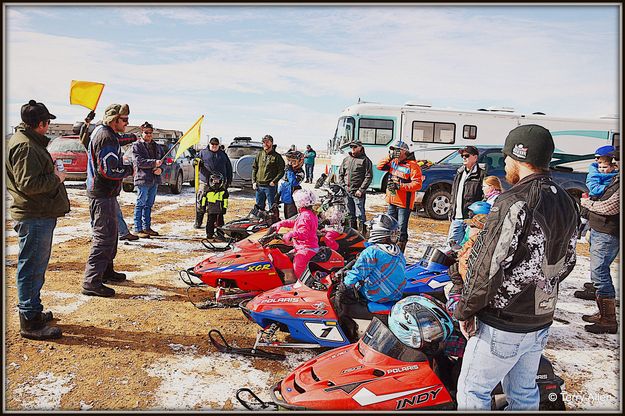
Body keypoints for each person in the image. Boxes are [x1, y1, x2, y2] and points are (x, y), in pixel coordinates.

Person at [453, 125, 579, 410]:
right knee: (523, 394)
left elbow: (488, 266)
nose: (505, 163)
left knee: (473, 392)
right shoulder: (566, 200)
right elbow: (568, 260)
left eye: (507, 157)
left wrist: (465, 309)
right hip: (539, 320)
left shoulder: (513, 201)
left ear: (520, 157)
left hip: (503, 322)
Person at [6, 100, 69, 340]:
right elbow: (29, 184)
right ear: (41, 124)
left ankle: (33, 311)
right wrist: (57, 178)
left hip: (37, 213)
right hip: (35, 214)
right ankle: (30, 322)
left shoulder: (27, 142)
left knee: (34, 267)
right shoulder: (26, 146)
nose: (49, 126)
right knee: (32, 267)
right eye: (47, 122)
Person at [82, 104, 134, 298]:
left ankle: (105, 271)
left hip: (105, 193)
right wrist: (130, 169)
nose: (127, 123)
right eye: (125, 120)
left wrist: (135, 137)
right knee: (103, 237)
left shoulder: (107, 134)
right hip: (101, 193)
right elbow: (109, 170)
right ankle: (91, 281)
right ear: (114, 120)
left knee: (111, 236)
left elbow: (121, 139)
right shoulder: (106, 137)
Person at [332, 213, 407, 342]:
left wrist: (343, 286)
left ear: (377, 232)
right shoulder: (397, 250)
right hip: (395, 294)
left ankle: (347, 327)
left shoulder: (372, 251)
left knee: (346, 296)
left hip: (376, 296)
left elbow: (357, 273)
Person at [579, 151, 619, 334]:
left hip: (607, 233)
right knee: (598, 272)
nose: (616, 163)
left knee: (600, 273)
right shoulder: (615, 179)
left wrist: (587, 204)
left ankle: (608, 319)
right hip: (600, 230)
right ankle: (602, 313)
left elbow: (609, 207)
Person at [376, 140, 423, 252]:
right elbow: (379, 166)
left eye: (397, 150)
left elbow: (417, 184)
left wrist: (401, 186)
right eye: (393, 150)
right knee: (389, 228)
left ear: (404, 151)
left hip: (404, 203)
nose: (394, 152)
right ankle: (390, 251)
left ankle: (400, 253)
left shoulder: (413, 166)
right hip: (392, 201)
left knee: (401, 230)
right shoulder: (394, 162)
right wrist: (389, 156)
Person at [270, 188, 319, 281]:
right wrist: (282, 223)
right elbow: (296, 223)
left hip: (307, 248)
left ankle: (302, 284)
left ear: (300, 203)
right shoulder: (306, 214)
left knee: (298, 265)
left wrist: (291, 234)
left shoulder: (306, 216)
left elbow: (304, 233)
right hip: (301, 247)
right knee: (284, 257)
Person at [445, 145, 486, 250]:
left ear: (475, 157)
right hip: (457, 218)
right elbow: (454, 193)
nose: (464, 158)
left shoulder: (482, 174)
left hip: (471, 220)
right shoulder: (460, 172)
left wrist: (475, 215)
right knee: (451, 249)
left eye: (467, 155)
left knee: (469, 249)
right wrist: (451, 210)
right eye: (462, 156)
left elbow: (484, 197)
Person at [131, 122, 164, 238]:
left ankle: (147, 227)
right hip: (142, 179)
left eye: (150, 132)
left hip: (154, 180)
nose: (149, 134)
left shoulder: (157, 146)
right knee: (140, 204)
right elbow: (138, 161)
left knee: (149, 205)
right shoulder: (136, 146)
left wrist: (161, 169)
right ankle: (137, 228)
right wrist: (153, 163)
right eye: (146, 132)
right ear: (142, 132)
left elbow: (162, 161)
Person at [194, 137, 233, 230]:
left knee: (219, 202)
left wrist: (229, 180)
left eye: (216, 145)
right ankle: (198, 221)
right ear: (209, 144)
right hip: (205, 182)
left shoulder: (223, 154)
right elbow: (195, 162)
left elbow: (229, 168)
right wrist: (195, 162)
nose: (214, 146)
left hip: (220, 183)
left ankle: (218, 222)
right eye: (212, 144)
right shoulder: (203, 153)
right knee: (201, 201)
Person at [338, 140, 373, 235]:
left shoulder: (365, 160)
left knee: (360, 215)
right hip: (347, 192)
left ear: (360, 148)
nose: (353, 149)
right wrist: (343, 186)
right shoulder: (346, 159)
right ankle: (352, 233)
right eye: (352, 147)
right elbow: (341, 174)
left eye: (355, 147)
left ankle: (362, 234)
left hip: (358, 193)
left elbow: (368, 176)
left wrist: (361, 190)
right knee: (350, 214)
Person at [252, 134, 285, 211]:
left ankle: (273, 222)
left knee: (272, 207)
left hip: (270, 187)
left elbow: (281, 171)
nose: (265, 144)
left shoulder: (277, 156)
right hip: (259, 186)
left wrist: (274, 181)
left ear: (271, 143)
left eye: (267, 142)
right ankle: (261, 221)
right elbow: (254, 168)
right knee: (259, 208)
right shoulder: (259, 154)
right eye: (264, 142)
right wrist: (254, 181)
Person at [278, 150, 304, 219]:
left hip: (293, 199)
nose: (291, 163)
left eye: (293, 161)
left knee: (292, 218)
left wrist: (290, 171)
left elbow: (293, 182)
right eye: (289, 161)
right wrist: (278, 195)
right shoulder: (288, 170)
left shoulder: (300, 172)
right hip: (286, 197)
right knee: (287, 217)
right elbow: (284, 183)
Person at [204, 172, 229, 241]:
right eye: (214, 181)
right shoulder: (208, 191)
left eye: (217, 181)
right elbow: (204, 200)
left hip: (219, 210)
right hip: (211, 210)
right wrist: (203, 207)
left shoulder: (223, 191)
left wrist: (224, 208)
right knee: (210, 222)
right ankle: (209, 234)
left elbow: (225, 200)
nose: (216, 183)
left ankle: (220, 234)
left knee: (220, 222)